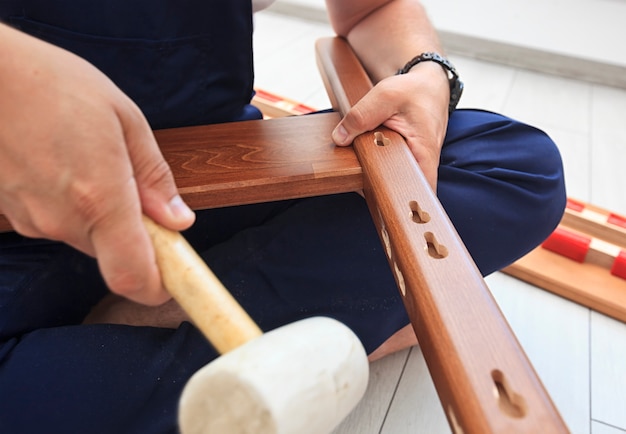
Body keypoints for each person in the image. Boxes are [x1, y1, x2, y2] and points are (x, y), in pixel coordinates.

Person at [0, 0, 566, 432]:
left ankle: (140, 323)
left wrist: (424, 74)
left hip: (208, 180)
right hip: (17, 231)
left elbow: (373, 9)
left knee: (513, 166)